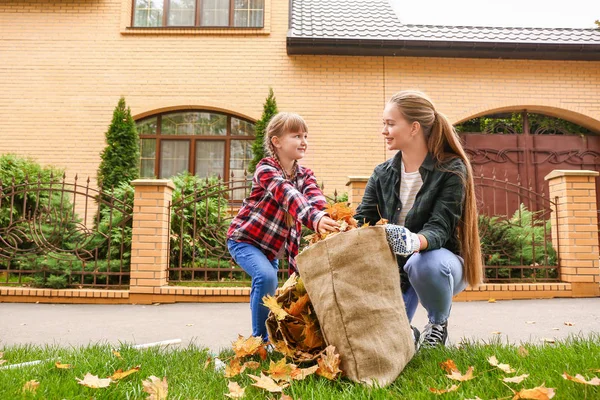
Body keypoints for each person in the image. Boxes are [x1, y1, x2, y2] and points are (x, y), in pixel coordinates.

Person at [354, 90, 483, 347]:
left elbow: (440, 226)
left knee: (424, 263)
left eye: (390, 124)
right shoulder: (382, 173)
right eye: (384, 124)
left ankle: (437, 325)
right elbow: (362, 221)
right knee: (384, 342)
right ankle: (407, 334)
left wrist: (413, 242)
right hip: (396, 271)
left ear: (414, 128)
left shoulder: (451, 169)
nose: (384, 130)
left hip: (439, 264)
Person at [227, 112, 339, 342]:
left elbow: (315, 198)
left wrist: (323, 217)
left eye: (305, 136)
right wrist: (312, 218)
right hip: (245, 240)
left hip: (273, 248)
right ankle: (260, 341)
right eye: (296, 135)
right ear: (276, 141)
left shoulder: (305, 175)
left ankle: (278, 338)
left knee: (277, 287)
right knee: (267, 277)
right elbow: (287, 194)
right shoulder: (265, 169)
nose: (303, 141)